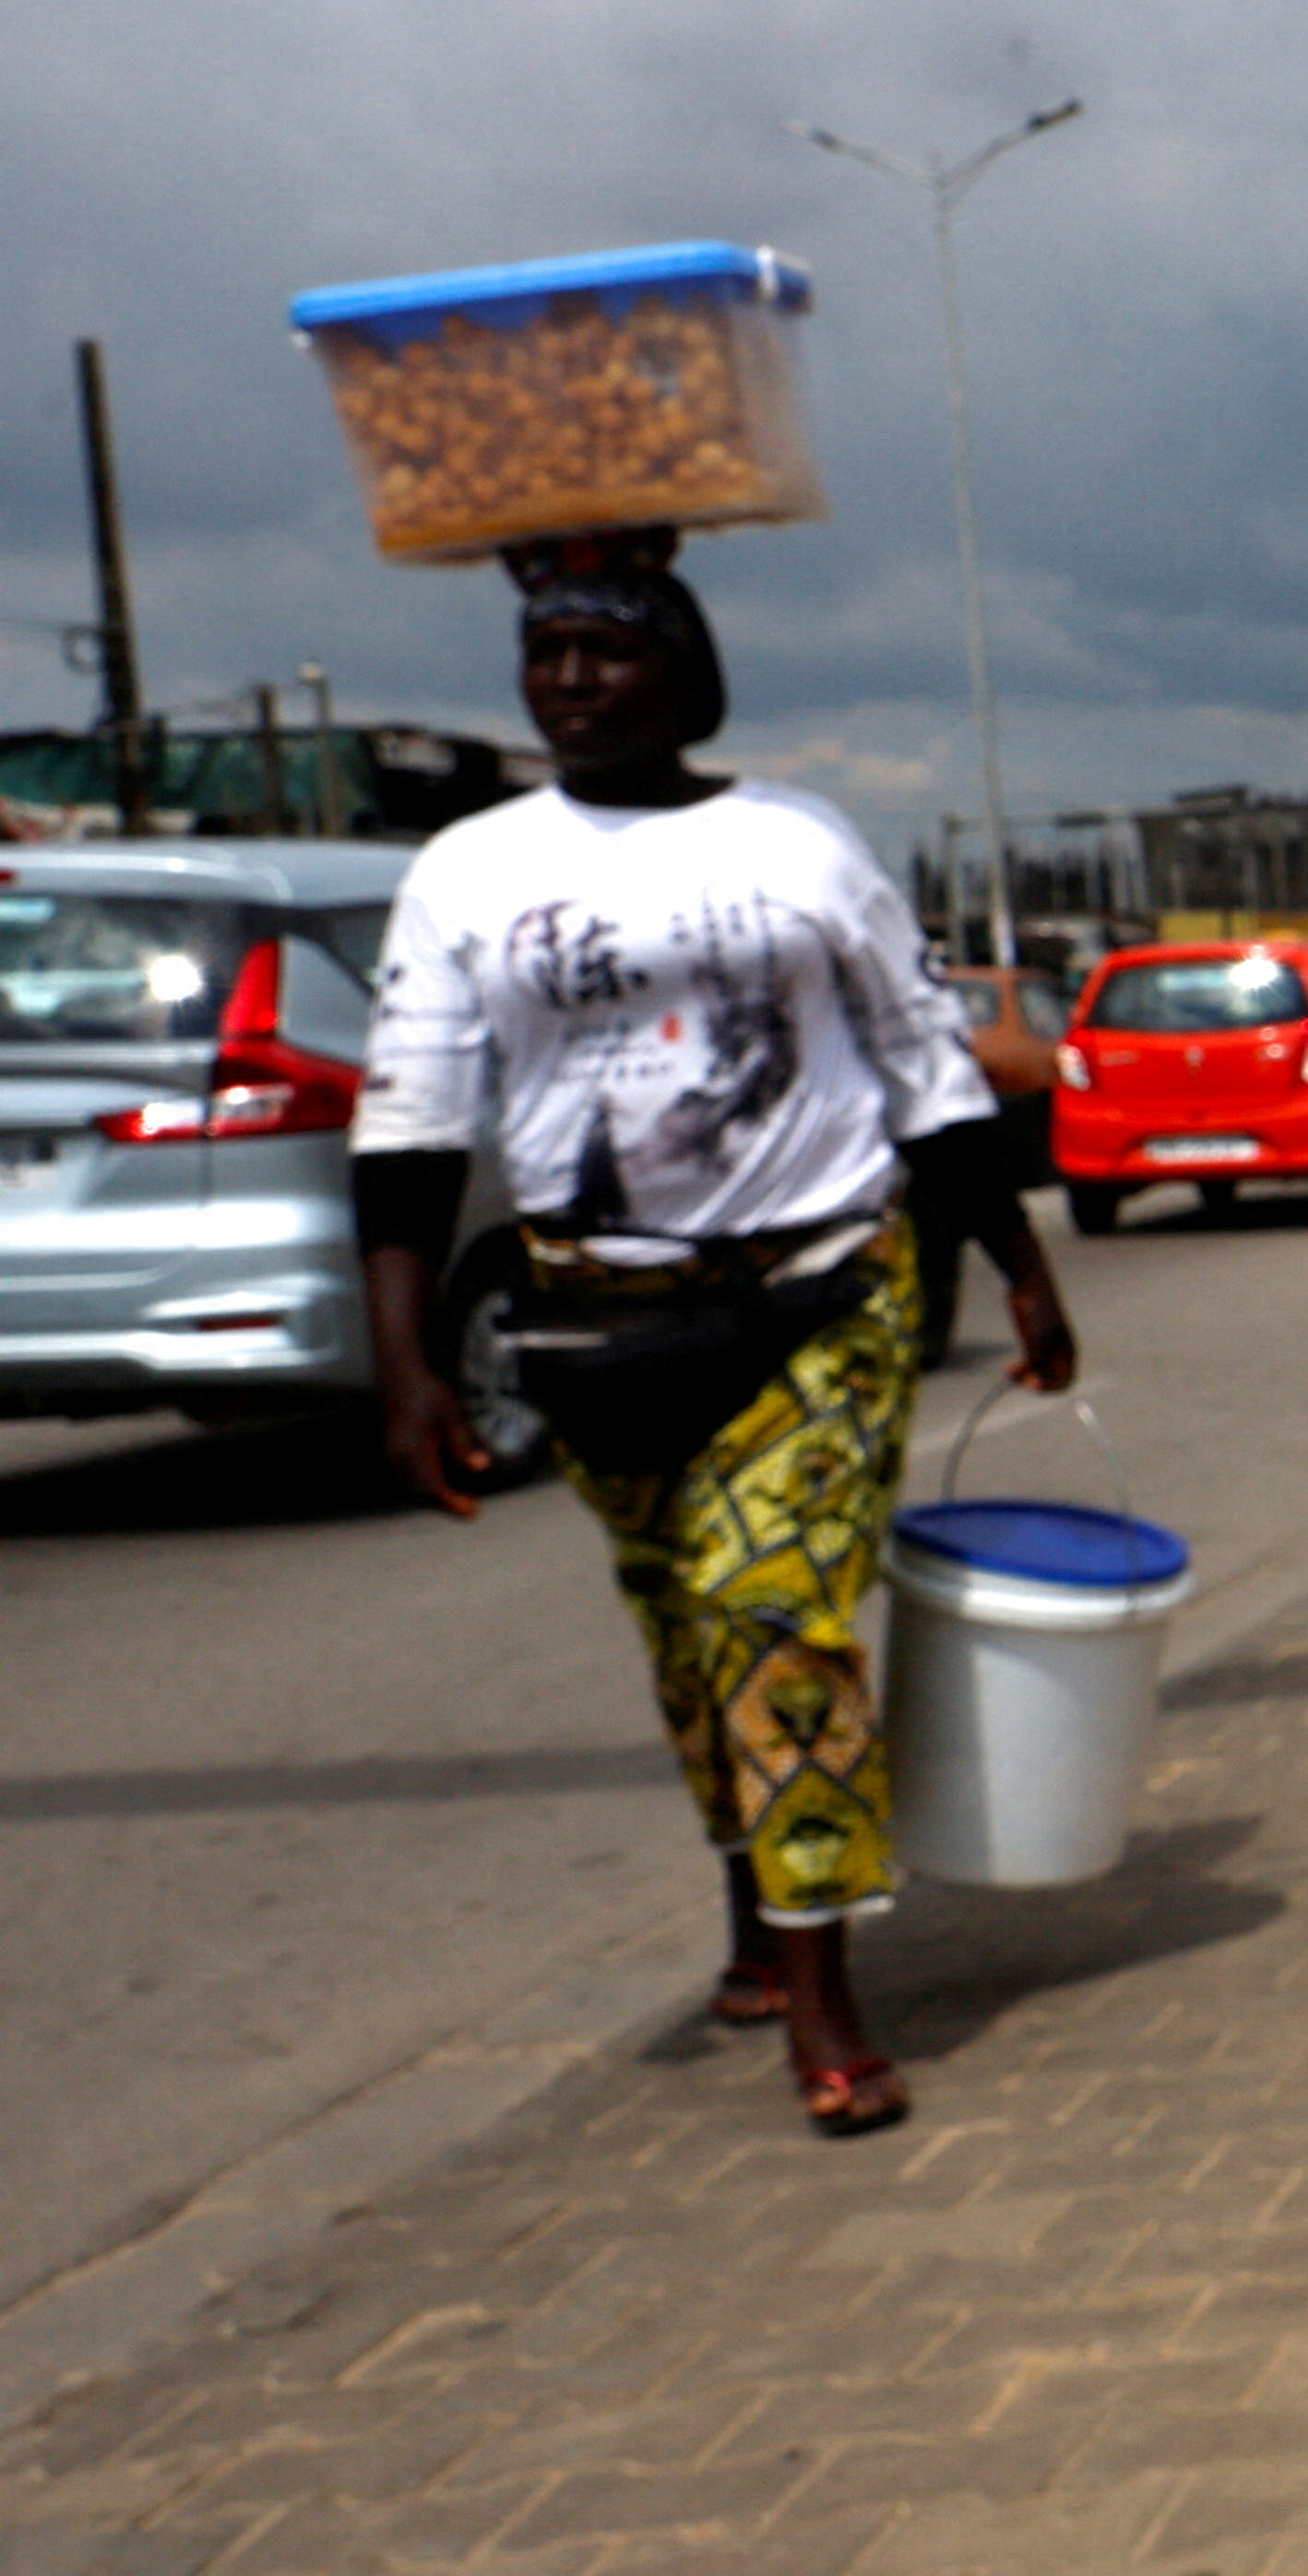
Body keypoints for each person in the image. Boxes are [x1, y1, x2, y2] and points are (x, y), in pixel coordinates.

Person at [353, 530, 1077, 2137]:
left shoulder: (799, 845)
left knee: (774, 1620)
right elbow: (406, 1124)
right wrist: (405, 1366)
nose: (572, 680)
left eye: (607, 649)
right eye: (547, 655)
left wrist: (1019, 1269)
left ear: (686, 672)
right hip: (591, 1320)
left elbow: (926, 1065)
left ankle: (822, 1993)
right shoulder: (469, 868)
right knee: (688, 1648)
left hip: (817, 1290)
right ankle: (756, 1905)